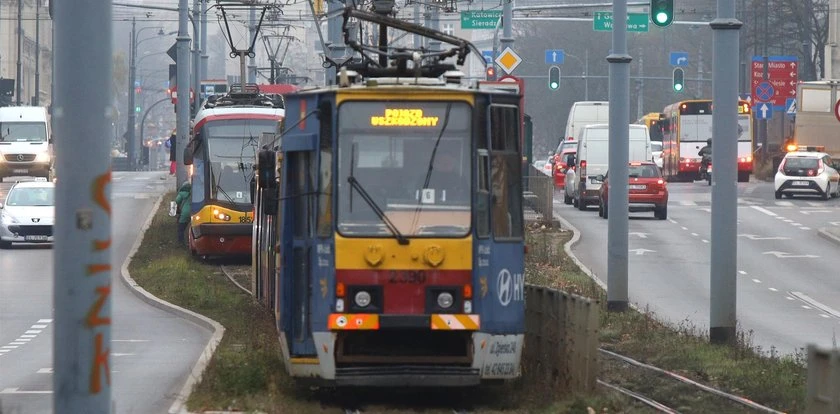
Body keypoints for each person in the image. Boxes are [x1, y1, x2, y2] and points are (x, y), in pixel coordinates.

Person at [174, 181, 191, 245]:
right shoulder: (194, 192)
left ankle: (181, 243)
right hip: (195, 212)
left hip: (185, 213)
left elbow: (176, 201)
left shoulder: (182, 193)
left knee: (181, 229)